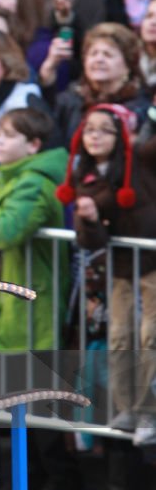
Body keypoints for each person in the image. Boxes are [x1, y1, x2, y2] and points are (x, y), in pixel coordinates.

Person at [0, 107, 81, 490]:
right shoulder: (17, 178)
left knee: (39, 396)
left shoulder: (33, 182)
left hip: (34, 303)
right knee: (15, 393)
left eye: (9, 136)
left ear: (33, 144)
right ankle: (25, 482)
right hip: (15, 302)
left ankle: (61, 484)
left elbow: (8, 230)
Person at [57, 103, 156, 448]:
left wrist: (154, 112)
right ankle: (128, 407)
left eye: (103, 129)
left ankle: (148, 411)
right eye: (89, 129)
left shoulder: (140, 159)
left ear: (121, 134)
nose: (94, 135)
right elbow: (91, 242)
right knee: (119, 337)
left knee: (150, 335)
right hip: (123, 267)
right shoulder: (85, 174)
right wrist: (89, 219)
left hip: (152, 262)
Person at [46, 22, 150, 147]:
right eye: (93, 54)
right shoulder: (70, 100)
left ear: (128, 66)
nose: (99, 59)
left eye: (108, 55)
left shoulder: (141, 108)